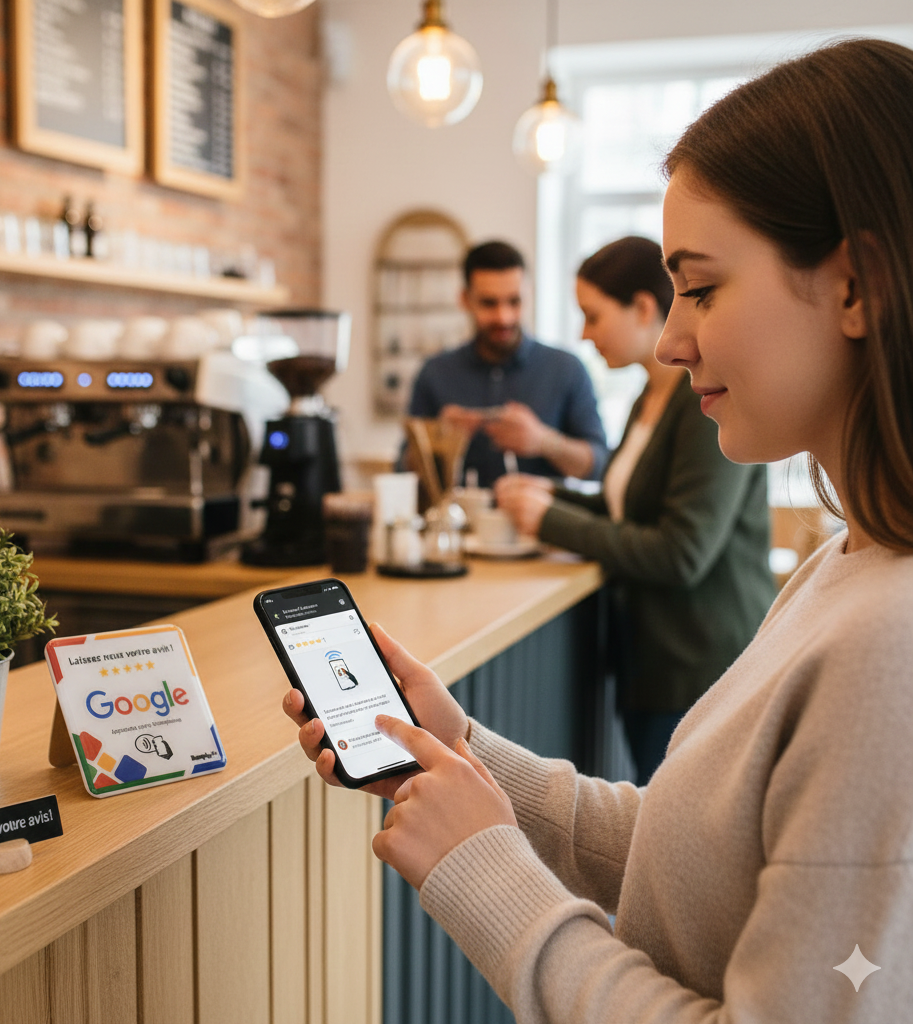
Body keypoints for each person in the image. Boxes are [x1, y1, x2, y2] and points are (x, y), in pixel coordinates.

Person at [286, 38, 913, 1022]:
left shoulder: (888, 644)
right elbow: (694, 856)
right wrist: (465, 750)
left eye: (700, 287)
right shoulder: (845, 563)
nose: (668, 338)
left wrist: (483, 870)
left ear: (855, 284)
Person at [494, 235, 776, 783]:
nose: (582, 333)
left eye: (592, 315)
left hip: (699, 669)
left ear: (644, 309)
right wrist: (552, 495)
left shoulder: (703, 407)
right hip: (654, 664)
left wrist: (551, 520)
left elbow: (681, 551)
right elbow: (628, 505)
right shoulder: (651, 399)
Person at [404, 240, 609, 487]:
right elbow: (402, 469)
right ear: (465, 299)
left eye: (514, 301)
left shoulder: (567, 369)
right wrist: (435, 439)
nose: (504, 317)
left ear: (529, 295)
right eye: (489, 303)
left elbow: (600, 465)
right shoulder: (434, 373)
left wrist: (544, 441)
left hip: (544, 525)